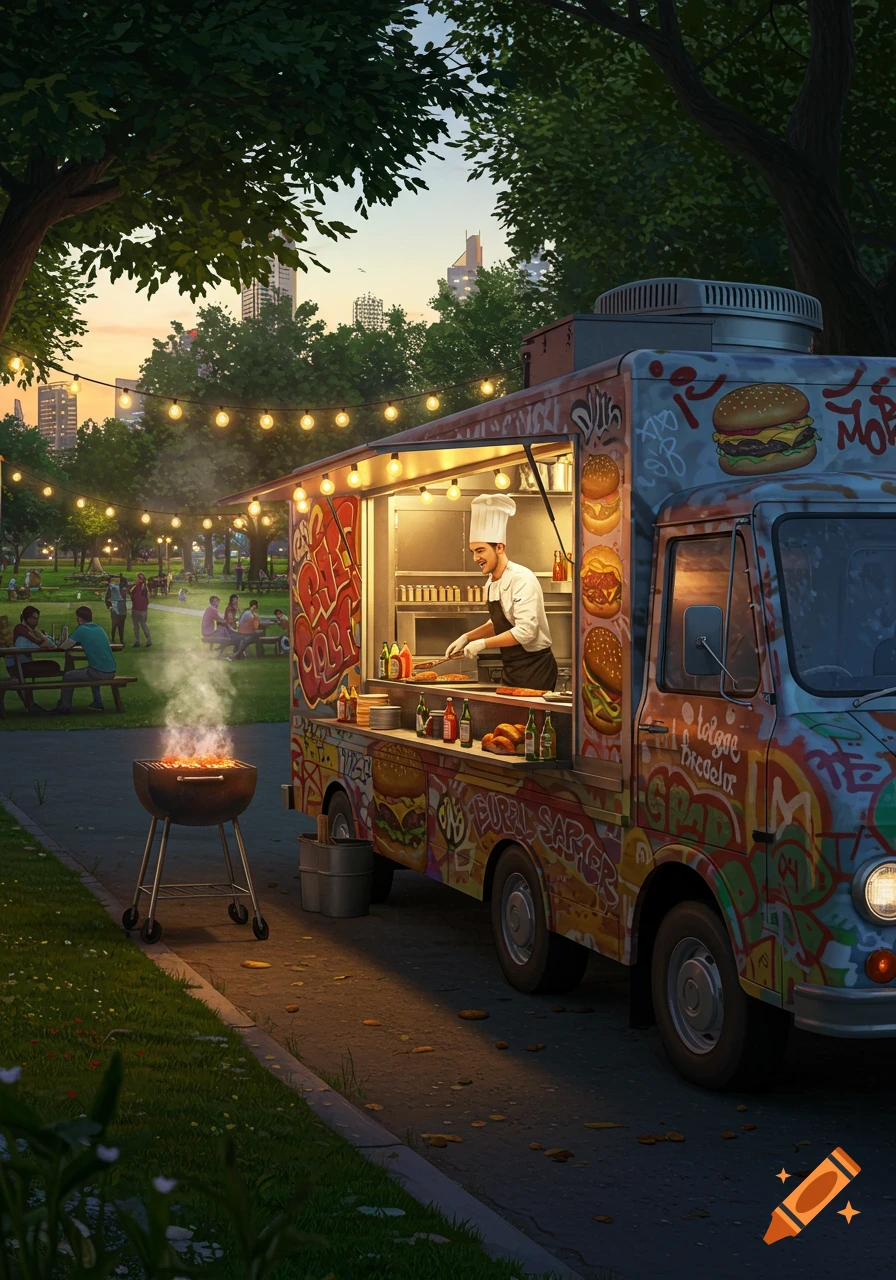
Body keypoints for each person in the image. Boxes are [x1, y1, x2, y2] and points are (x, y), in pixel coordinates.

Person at [446, 493, 557, 690]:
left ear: (499, 547)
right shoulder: (491, 582)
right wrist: (467, 637)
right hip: (511, 668)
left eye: (480, 550)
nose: (475, 558)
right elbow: (499, 622)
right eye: (473, 552)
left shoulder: (522, 579)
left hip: (536, 668)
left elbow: (526, 632)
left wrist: (482, 644)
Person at [54, 606, 116, 714]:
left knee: (68, 676)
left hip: (98, 672)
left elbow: (63, 646)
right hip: (111, 671)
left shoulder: (81, 629)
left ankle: (65, 706)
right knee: (92, 670)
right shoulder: (99, 628)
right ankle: (97, 702)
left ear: (79, 619)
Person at [4, 605, 59, 715]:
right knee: (53, 667)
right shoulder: (21, 629)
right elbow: (44, 644)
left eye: (37, 618)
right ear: (25, 619)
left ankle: (31, 705)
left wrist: (40, 634)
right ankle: (30, 705)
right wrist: (41, 638)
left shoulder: (31, 631)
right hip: (16, 665)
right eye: (32, 618)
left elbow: (51, 645)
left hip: (23, 663)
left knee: (54, 666)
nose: (35, 621)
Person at [105, 575, 127, 645]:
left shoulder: (122, 589)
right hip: (114, 607)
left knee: (121, 625)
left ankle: (121, 640)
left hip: (122, 607)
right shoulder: (111, 588)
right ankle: (113, 639)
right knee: (114, 624)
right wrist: (110, 606)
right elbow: (107, 598)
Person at [130, 571, 151, 647]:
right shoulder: (141, 587)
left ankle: (146, 640)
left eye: (139, 578)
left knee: (141, 625)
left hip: (138, 609)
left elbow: (133, 595)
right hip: (139, 609)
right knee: (138, 625)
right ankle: (139, 641)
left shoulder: (140, 587)